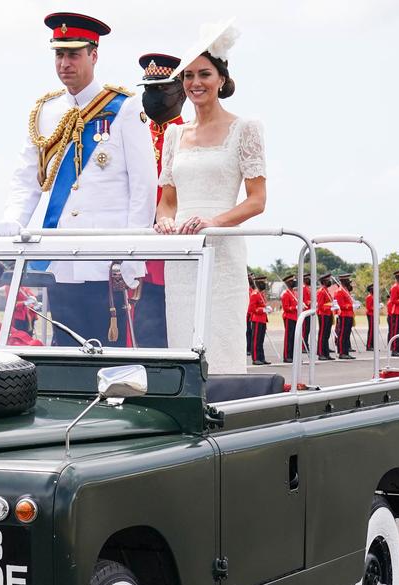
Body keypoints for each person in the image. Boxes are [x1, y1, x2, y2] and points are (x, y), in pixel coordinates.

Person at [0, 13, 156, 348]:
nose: (65, 63)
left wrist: (132, 253)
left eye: (73, 54)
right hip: (61, 258)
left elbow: (144, 186)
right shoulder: (45, 111)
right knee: (65, 350)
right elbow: (26, 177)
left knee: (108, 354)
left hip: (105, 261)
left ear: (93, 55)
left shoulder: (124, 108)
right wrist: (13, 219)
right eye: (59, 54)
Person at [153, 20, 266, 372]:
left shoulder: (245, 128)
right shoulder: (174, 136)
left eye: (203, 74)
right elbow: (167, 200)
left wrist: (213, 222)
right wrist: (165, 222)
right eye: (187, 76)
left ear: (221, 79)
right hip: (182, 252)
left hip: (222, 247)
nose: (195, 83)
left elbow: (257, 200)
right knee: (183, 339)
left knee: (221, 337)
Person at [133, 52, 185, 347]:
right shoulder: (135, 134)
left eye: (161, 88)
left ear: (180, 91)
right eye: (148, 89)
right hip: (138, 247)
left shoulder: (188, 136)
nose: (152, 96)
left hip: (172, 248)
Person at [247, 275, 270, 365]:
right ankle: (255, 358)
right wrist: (262, 310)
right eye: (263, 283)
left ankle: (261, 357)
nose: (265, 284)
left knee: (261, 340)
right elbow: (251, 309)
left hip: (263, 319)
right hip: (256, 319)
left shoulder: (261, 294)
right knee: (256, 340)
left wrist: (267, 309)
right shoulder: (255, 294)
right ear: (259, 283)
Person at [334, 273, 355, 359]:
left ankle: (346, 352)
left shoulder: (345, 290)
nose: (349, 282)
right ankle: (342, 352)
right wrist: (351, 306)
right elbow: (342, 306)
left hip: (349, 314)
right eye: (347, 280)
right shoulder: (340, 291)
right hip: (343, 315)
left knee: (347, 334)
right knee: (343, 334)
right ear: (343, 281)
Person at [315, 273, 335, 360]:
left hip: (328, 314)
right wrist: (331, 305)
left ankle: (326, 353)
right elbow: (320, 306)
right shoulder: (321, 291)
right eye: (328, 280)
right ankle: (320, 353)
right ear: (324, 281)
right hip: (323, 314)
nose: (329, 281)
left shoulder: (326, 291)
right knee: (322, 334)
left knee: (326, 335)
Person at [280, 273, 299, 362]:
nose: (294, 282)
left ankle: (293, 356)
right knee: (289, 337)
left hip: (295, 317)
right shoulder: (286, 294)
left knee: (294, 338)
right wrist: (294, 307)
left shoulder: (293, 293)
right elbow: (286, 308)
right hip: (289, 317)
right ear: (288, 283)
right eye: (292, 281)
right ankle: (287, 356)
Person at [365, 284, 376, 351]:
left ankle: (372, 344)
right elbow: (369, 307)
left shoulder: (373, 296)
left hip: (374, 314)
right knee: (371, 330)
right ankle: (369, 345)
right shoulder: (369, 297)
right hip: (370, 314)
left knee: (374, 330)